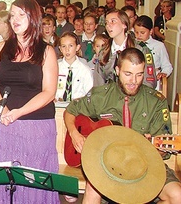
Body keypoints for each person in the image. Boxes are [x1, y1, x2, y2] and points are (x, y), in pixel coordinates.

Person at [64, 48, 181, 203]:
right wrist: (74, 134)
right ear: (117, 70)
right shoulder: (101, 95)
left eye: (139, 75)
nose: (134, 81)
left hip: (144, 165)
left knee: (177, 195)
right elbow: (71, 110)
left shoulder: (156, 102)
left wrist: (151, 150)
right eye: (128, 74)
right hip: (105, 164)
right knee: (92, 187)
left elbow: (163, 152)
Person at [0, 0, 59, 203]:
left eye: (21, 15)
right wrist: (1, 108)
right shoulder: (1, 48)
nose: (14, 19)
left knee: (32, 181)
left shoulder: (46, 51)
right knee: (4, 182)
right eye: (12, 15)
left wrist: (18, 112)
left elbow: (49, 92)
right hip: (5, 123)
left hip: (36, 125)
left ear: (33, 18)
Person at [94, 9, 157, 89]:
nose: (108, 25)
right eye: (106, 22)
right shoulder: (104, 52)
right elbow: (98, 83)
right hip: (111, 97)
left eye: (113, 21)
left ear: (124, 24)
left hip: (135, 96)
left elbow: (149, 82)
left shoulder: (140, 49)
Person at [134, 15, 173, 90]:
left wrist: (164, 73)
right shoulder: (132, 44)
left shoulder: (159, 46)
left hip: (153, 79)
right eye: (136, 32)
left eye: (142, 33)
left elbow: (167, 66)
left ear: (151, 31)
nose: (139, 35)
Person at [56, 32, 93, 102]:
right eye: (64, 46)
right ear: (60, 49)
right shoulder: (55, 68)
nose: (67, 50)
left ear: (77, 47)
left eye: (71, 46)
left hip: (78, 107)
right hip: (58, 105)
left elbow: (89, 94)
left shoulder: (85, 70)